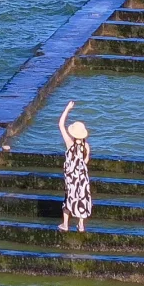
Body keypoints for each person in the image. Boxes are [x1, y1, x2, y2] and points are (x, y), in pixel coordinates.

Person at [58, 100, 92, 233]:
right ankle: (81, 225)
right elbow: (86, 161)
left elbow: (61, 124)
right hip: (82, 176)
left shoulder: (69, 144)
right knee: (82, 197)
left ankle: (66, 224)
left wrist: (67, 108)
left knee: (69, 197)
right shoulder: (86, 146)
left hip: (71, 176)